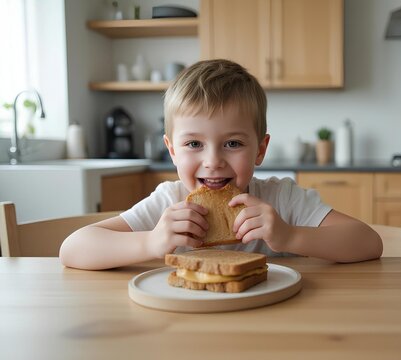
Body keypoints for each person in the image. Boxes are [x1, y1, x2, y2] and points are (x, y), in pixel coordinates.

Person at [60, 59, 382, 270]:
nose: (212, 161)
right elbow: (73, 248)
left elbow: (367, 241)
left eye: (232, 143)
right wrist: (151, 241)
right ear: (172, 151)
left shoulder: (281, 199)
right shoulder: (167, 204)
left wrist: (289, 237)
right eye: (194, 144)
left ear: (260, 149)